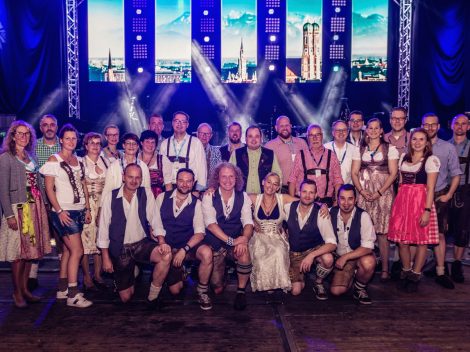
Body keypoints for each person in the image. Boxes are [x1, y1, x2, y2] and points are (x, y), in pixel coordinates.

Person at [98, 163, 171, 304]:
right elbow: (103, 229)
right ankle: (133, 270)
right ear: (123, 177)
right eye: (130, 177)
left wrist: (162, 241)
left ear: (141, 179)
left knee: (166, 255)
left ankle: (153, 295)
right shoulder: (110, 197)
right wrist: (105, 257)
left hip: (141, 244)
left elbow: (155, 219)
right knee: (126, 298)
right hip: (121, 248)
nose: (134, 181)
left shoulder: (146, 193)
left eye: (137, 178)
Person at [40, 124, 93, 308]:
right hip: (64, 212)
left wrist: (87, 208)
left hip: (78, 210)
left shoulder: (77, 160)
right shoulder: (54, 160)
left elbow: (82, 185)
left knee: (69, 251)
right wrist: (60, 211)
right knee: (78, 251)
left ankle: (62, 289)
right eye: (67, 138)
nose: (71, 141)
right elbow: (48, 189)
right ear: (61, 140)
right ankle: (73, 294)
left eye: (74, 138)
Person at [0, 121, 51, 308]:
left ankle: (25, 289)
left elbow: (39, 183)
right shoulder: (6, 158)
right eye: (19, 133)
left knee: (30, 253)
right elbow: (3, 190)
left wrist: (44, 204)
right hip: (19, 208)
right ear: (12, 136)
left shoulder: (32, 157)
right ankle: (16, 292)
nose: (23, 136)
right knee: (18, 254)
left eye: (27, 133)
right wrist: (9, 215)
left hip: (34, 207)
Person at [388, 128, 440, 292]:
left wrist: (426, 210)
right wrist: (397, 205)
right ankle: (406, 270)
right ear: (410, 141)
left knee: (420, 242)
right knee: (402, 241)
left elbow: (430, 188)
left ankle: (416, 275)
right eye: (414, 139)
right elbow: (401, 184)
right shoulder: (404, 157)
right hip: (403, 202)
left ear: (427, 142)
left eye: (421, 139)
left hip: (420, 202)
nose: (417, 142)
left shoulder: (431, 160)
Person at [154, 168, 213, 310]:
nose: (185, 184)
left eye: (188, 181)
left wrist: (184, 250)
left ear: (193, 183)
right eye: (181, 180)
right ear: (176, 181)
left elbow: (200, 233)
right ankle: (175, 273)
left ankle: (202, 291)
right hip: (166, 248)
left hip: (187, 246)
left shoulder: (197, 203)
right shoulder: (161, 197)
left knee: (207, 253)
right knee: (175, 291)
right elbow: (154, 225)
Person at [351, 118, 398, 282]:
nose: (372, 130)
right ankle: (361, 266)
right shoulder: (359, 148)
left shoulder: (389, 148)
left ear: (381, 130)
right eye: (370, 128)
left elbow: (393, 174)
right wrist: (362, 191)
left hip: (383, 192)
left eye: (376, 128)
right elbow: (354, 173)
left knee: (382, 232)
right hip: (364, 191)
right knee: (363, 230)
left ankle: (385, 269)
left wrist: (379, 192)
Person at [202, 162, 254, 310]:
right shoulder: (209, 196)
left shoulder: (243, 196)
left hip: (236, 241)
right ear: (217, 178)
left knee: (244, 252)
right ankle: (222, 273)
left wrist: (244, 239)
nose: (227, 180)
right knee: (217, 289)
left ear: (236, 179)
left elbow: (248, 222)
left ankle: (241, 291)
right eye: (223, 176)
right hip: (217, 244)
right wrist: (232, 241)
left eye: (231, 176)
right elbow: (211, 225)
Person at [422, 113, 461, 289]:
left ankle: (440, 271)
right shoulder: (415, 144)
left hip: (438, 195)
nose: (429, 127)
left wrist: (449, 195)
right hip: (418, 197)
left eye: (433, 125)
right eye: (426, 125)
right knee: (417, 235)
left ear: (438, 127)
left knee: (439, 236)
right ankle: (414, 270)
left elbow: (456, 174)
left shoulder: (447, 148)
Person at [285, 180, 337, 300]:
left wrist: (312, 255)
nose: (307, 196)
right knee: (295, 291)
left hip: (313, 249)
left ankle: (318, 282)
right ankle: (302, 276)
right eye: (304, 192)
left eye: (311, 192)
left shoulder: (321, 212)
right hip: (295, 254)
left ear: (316, 195)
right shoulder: (288, 208)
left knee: (328, 259)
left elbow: (332, 243)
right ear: (299, 192)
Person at [248, 172, 298, 293]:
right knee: (260, 256)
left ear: (278, 187)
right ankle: (265, 285)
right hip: (259, 237)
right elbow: (236, 205)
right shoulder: (254, 198)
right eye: (269, 182)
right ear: (263, 182)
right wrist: (252, 221)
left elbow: (304, 203)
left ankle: (276, 283)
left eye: (275, 184)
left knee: (278, 252)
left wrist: (322, 205)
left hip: (277, 237)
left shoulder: (283, 198)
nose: (271, 186)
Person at [329, 184, 376, 304]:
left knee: (368, 262)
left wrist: (346, 257)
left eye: (350, 198)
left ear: (355, 200)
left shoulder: (363, 216)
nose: (346, 203)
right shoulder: (329, 213)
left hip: (357, 257)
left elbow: (368, 247)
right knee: (336, 291)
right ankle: (349, 275)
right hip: (338, 258)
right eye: (342, 198)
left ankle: (359, 288)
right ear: (337, 199)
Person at [31, 114, 61, 291]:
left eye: (52, 125)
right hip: (39, 199)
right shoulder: (33, 148)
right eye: (45, 125)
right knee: (39, 238)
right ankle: (32, 275)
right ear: (41, 128)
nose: (49, 128)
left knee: (61, 238)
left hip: (61, 200)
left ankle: (63, 276)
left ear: (56, 127)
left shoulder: (64, 144)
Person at [289, 124, 343, 206]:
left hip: (326, 203)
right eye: (311, 135)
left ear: (322, 136)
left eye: (317, 134)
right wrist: (292, 202)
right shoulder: (300, 155)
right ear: (307, 137)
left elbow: (338, 180)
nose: (315, 138)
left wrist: (336, 202)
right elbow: (292, 179)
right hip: (303, 203)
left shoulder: (331, 155)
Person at [80, 132, 108, 291]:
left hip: (103, 204)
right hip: (87, 204)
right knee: (85, 242)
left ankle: (97, 275)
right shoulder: (81, 162)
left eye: (98, 143)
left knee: (100, 240)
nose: (95, 146)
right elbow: (81, 186)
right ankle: (86, 276)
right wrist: (87, 209)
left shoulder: (106, 161)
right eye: (92, 143)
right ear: (85, 145)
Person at [161, 111, 207, 194]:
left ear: (187, 125)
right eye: (177, 121)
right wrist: (167, 185)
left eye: (183, 122)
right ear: (172, 123)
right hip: (169, 187)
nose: (179, 124)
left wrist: (198, 190)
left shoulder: (196, 142)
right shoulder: (164, 144)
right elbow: (163, 167)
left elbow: (202, 167)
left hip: (190, 188)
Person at [448, 114, 470, 283]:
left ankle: (456, 264)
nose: (460, 127)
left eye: (463, 124)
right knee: (440, 229)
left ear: (468, 127)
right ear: (452, 126)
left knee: (462, 229)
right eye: (457, 123)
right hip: (445, 190)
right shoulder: (444, 146)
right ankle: (437, 265)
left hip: (465, 190)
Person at [230, 125, 283, 194]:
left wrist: (275, 196)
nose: (253, 140)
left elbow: (278, 176)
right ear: (245, 139)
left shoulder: (270, 154)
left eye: (257, 136)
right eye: (250, 136)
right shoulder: (237, 153)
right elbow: (229, 175)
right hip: (242, 198)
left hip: (264, 199)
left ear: (261, 138)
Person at [265, 116, 309, 194]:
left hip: (301, 189)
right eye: (281, 126)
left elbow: (308, 165)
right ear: (276, 128)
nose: (285, 128)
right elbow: (265, 171)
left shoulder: (302, 143)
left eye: (287, 125)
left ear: (291, 126)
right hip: (281, 190)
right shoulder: (269, 146)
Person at [101, 133, 151, 201]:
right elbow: (107, 189)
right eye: (128, 143)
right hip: (117, 202)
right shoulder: (114, 166)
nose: (131, 146)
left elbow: (147, 189)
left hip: (138, 201)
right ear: (123, 145)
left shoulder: (143, 166)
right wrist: (102, 207)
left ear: (138, 146)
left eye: (134, 144)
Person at [324, 120, 358, 184]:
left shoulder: (354, 150)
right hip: (328, 190)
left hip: (348, 190)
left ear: (347, 132)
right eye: (338, 130)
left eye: (344, 130)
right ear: (333, 132)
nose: (341, 132)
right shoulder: (325, 148)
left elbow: (355, 174)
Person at [139, 130, 164, 198]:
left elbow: (168, 184)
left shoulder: (162, 160)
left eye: (153, 142)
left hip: (156, 197)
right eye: (147, 142)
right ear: (141, 143)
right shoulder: (135, 159)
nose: (150, 145)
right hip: (137, 195)